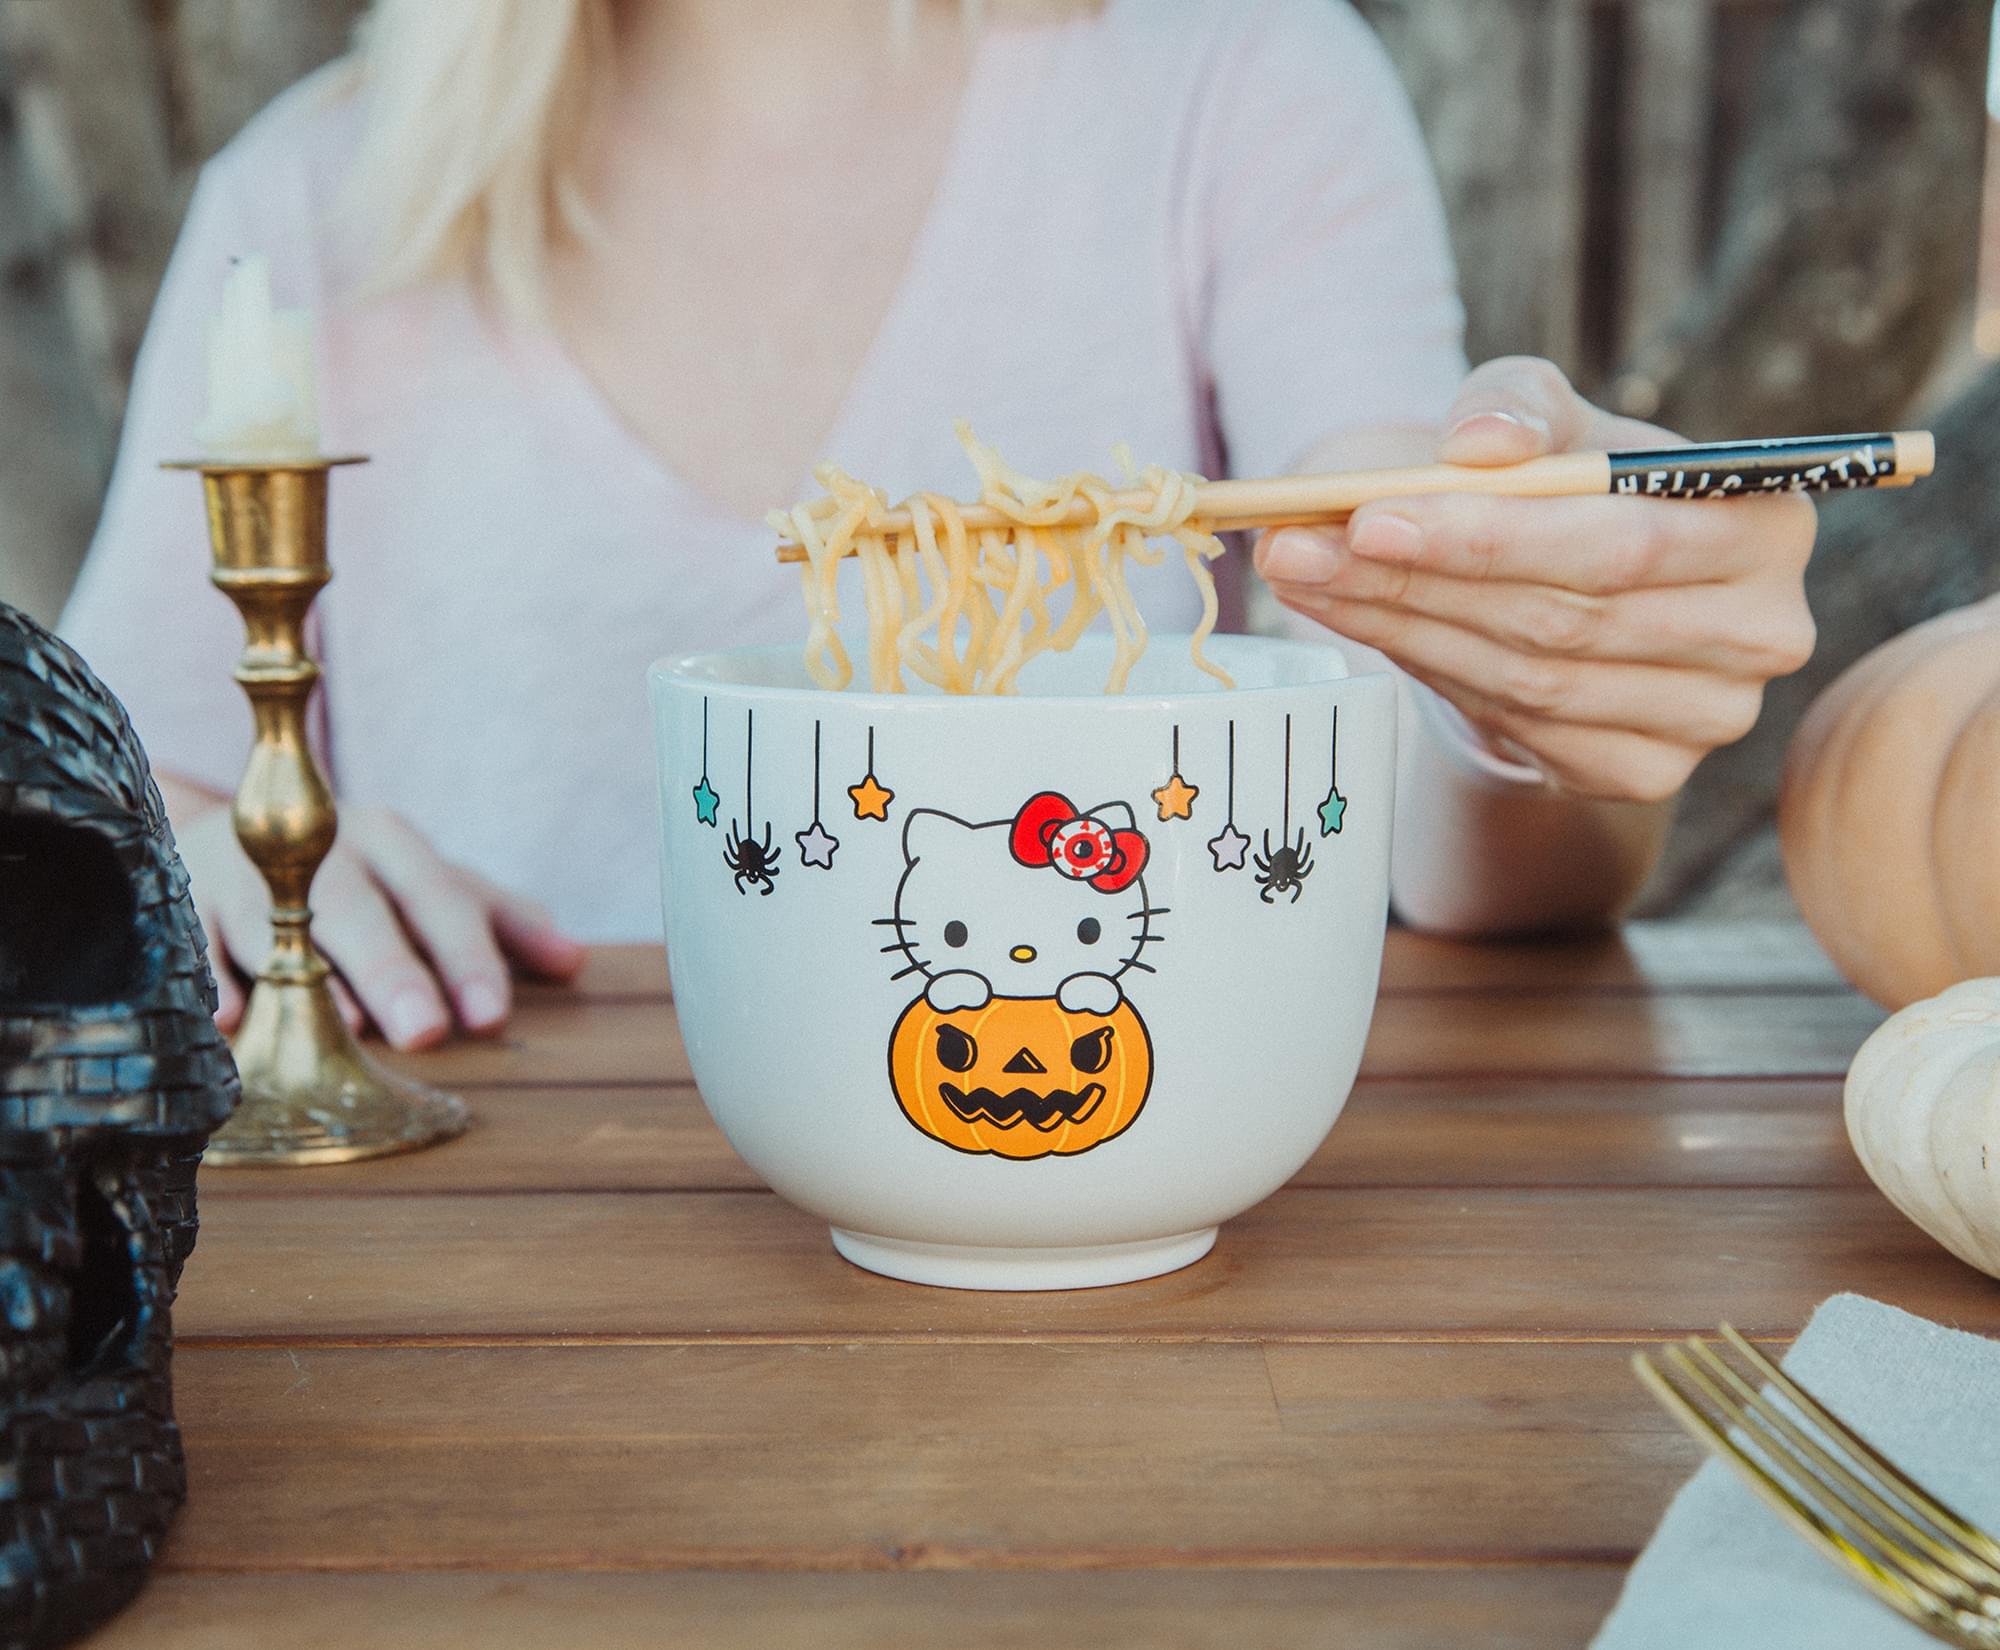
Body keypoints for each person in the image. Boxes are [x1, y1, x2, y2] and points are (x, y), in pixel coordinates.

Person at [61, 0, 1816, 1052]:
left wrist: (1544, 675)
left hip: (1096, 1170)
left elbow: (1423, 757)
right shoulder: (309, 202)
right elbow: (113, 796)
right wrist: (195, 862)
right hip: (483, 1241)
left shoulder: (1234, 81)